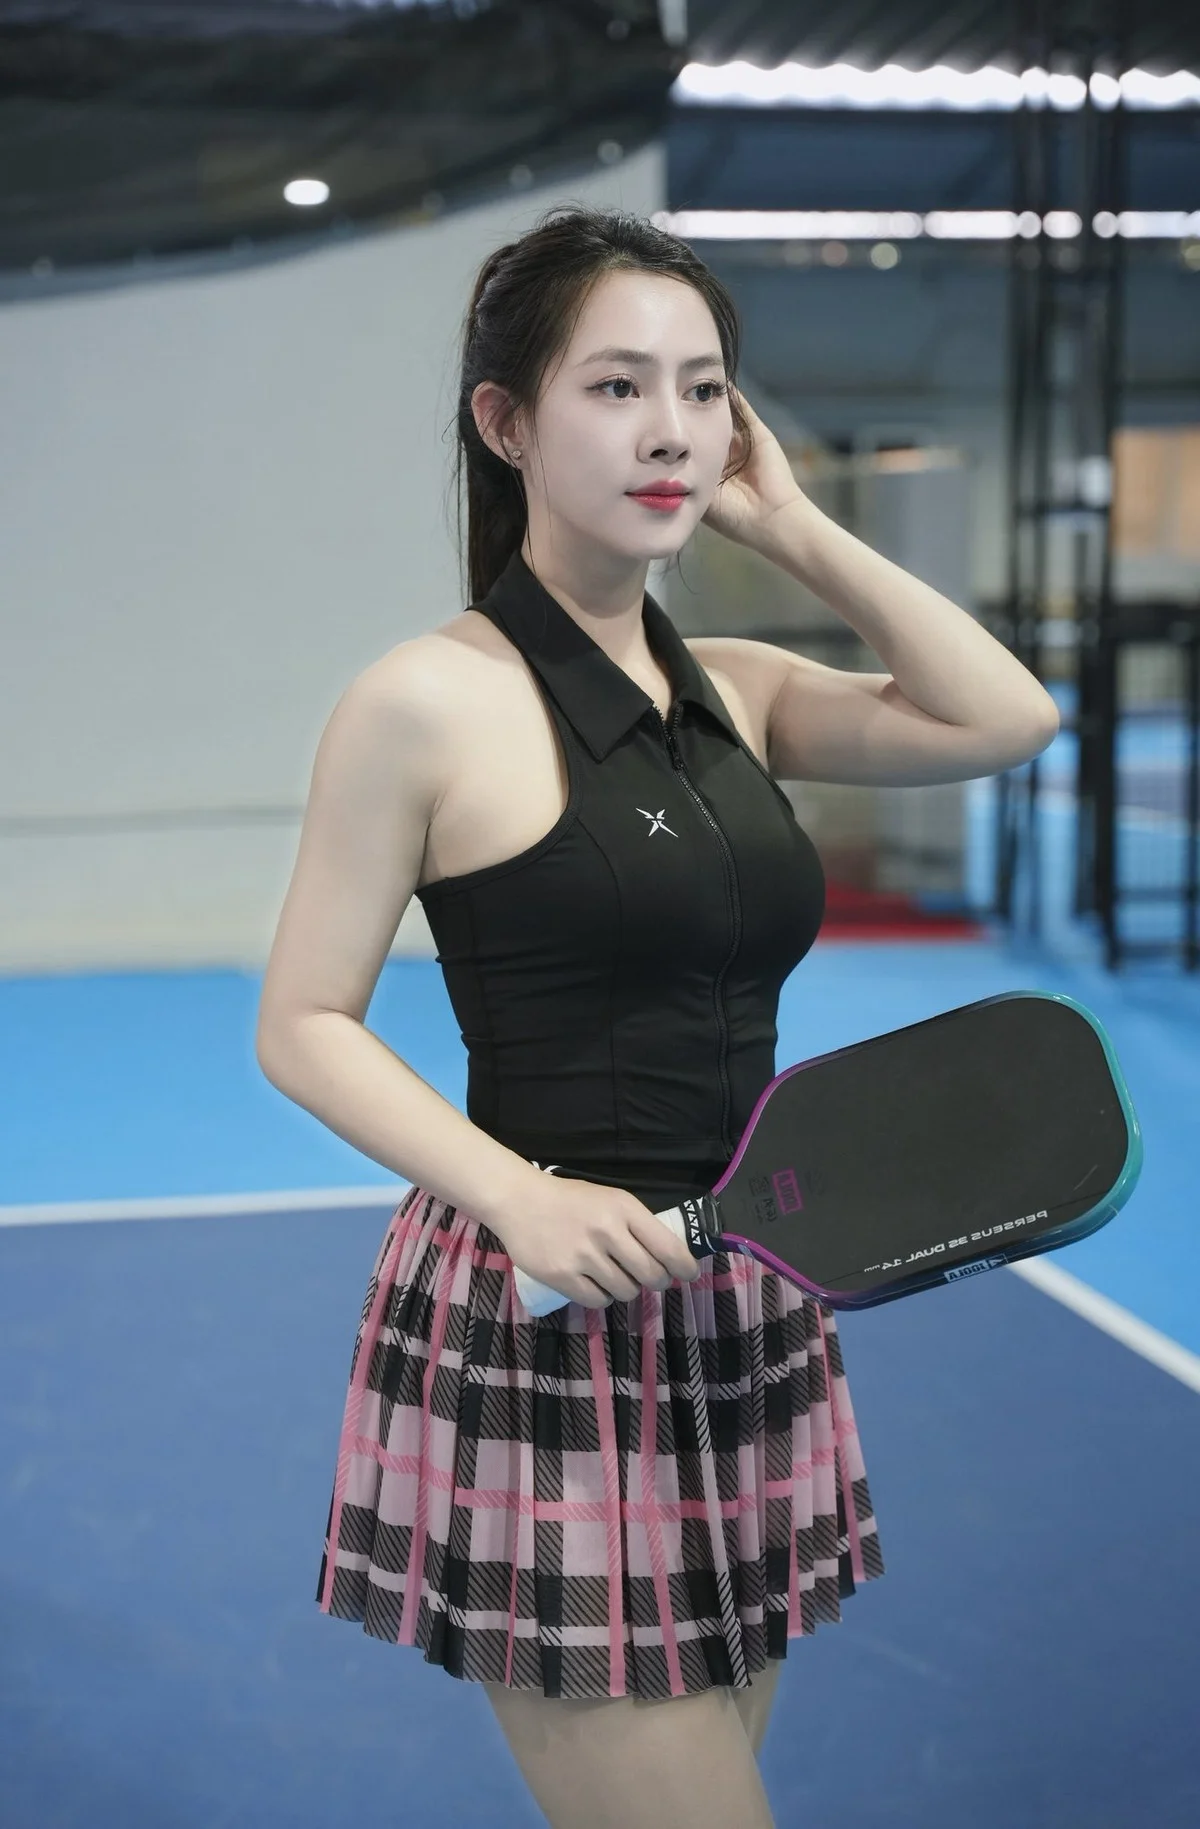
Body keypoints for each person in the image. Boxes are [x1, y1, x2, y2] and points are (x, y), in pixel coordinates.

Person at [255, 204, 889, 1829]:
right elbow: (304, 1018)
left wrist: (795, 526)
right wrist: (520, 1195)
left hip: (746, 1294)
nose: (671, 429)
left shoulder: (733, 685)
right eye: (616, 385)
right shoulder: (423, 700)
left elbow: (1003, 715)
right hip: (549, 1309)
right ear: (507, 421)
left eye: (703, 388)